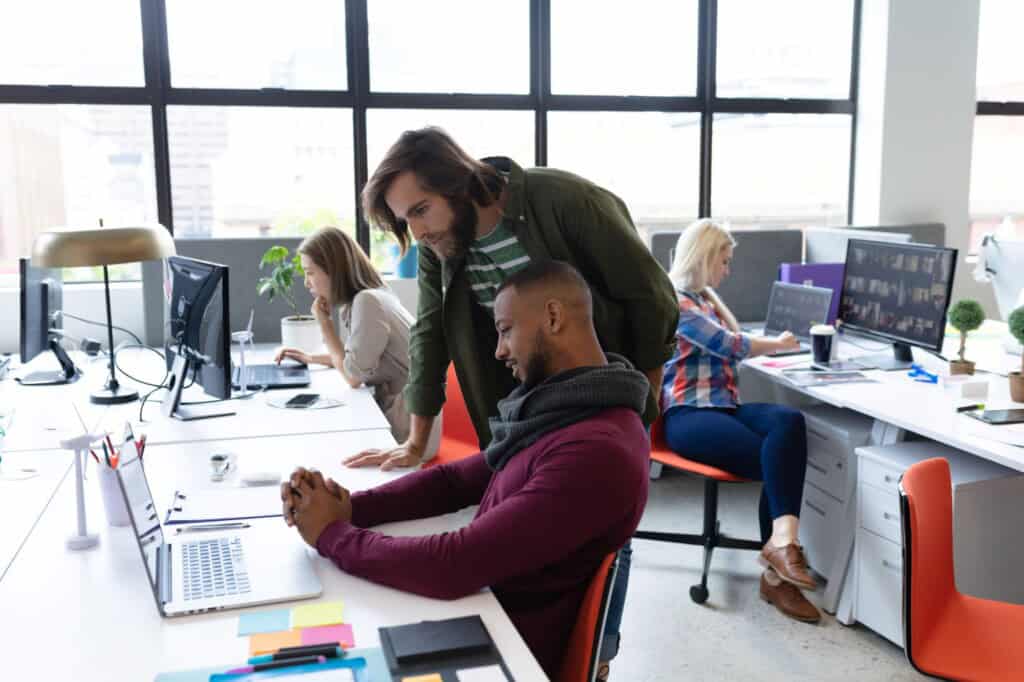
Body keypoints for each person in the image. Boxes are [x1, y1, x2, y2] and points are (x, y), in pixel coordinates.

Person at [347, 127, 678, 676]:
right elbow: (431, 328)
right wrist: (416, 435)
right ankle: (525, 629)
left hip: (598, 400)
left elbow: (651, 297)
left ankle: (594, 653)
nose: (418, 230)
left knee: (594, 542)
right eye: (406, 219)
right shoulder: (441, 244)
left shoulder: (567, 201)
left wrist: (638, 409)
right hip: (521, 408)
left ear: (457, 181)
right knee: (514, 539)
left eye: (422, 210)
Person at [281, 261, 650, 679]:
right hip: (479, 613)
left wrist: (333, 535)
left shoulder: (597, 451)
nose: (499, 350)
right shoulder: (562, 409)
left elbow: (457, 563)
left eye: (506, 329)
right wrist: (349, 509)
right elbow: (455, 481)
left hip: (503, 648)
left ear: (553, 317)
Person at [660, 218, 820, 623]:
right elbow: (727, 345)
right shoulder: (675, 301)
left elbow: (731, 337)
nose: (727, 271)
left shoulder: (705, 300)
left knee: (788, 422)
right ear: (706, 257)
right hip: (688, 416)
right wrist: (780, 343)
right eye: (725, 261)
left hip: (724, 407)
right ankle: (777, 575)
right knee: (778, 458)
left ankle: (781, 544)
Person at [275, 226, 439, 459]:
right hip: (408, 420)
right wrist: (311, 358)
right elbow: (357, 360)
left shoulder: (368, 301)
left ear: (333, 270)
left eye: (310, 272)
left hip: (409, 434)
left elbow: (353, 376)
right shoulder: (371, 295)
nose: (306, 283)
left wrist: (325, 323)